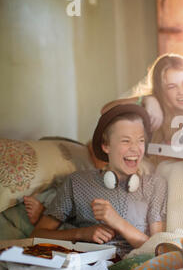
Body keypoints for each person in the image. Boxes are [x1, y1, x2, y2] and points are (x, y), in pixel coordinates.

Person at [30, 104, 168, 258]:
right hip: (85, 266)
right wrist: (81, 233)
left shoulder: (155, 184)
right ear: (106, 146)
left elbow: (157, 249)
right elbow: (37, 235)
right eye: (126, 141)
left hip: (131, 267)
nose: (135, 149)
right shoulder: (77, 182)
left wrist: (117, 222)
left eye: (140, 140)